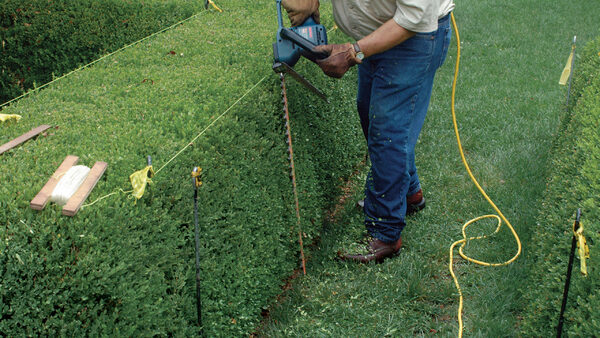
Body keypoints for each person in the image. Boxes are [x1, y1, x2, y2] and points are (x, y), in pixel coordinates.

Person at [282, 0, 454, 263]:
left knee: (388, 132)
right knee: (370, 114)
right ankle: (409, 194)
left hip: (414, 38)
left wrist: (353, 53)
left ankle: (385, 233)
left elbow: (415, 16)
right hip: (373, 35)